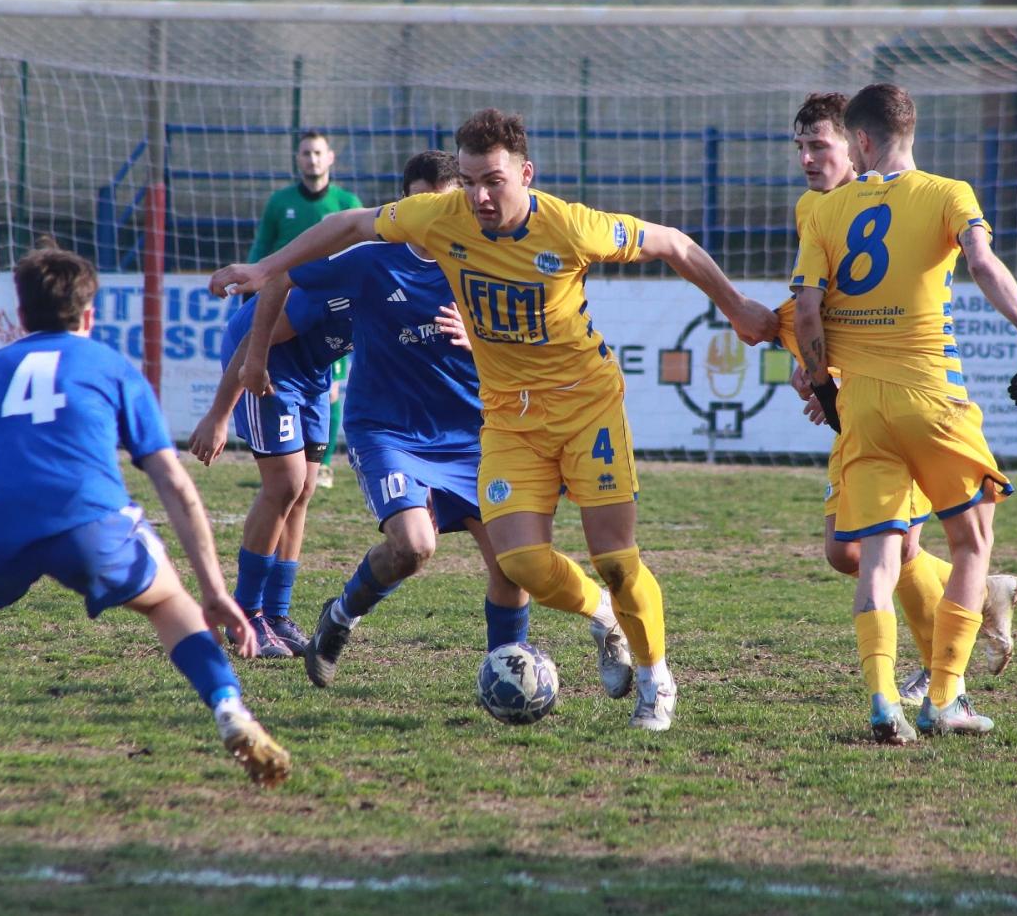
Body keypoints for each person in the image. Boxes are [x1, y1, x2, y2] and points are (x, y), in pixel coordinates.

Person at [211, 108, 777, 731]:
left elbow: (672, 241)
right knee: (520, 564)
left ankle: (654, 680)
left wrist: (735, 304)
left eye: (495, 181)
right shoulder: (440, 217)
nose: (481, 196)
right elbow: (349, 223)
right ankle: (605, 619)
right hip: (507, 418)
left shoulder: (571, 226)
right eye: (473, 180)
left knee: (616, 559)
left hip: (587, 406)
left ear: (525, 174)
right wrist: (264, 270)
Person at [0, 246, 291, 796]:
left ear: (21, 316)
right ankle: (229, 707)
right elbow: (173, 482)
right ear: (88, 316)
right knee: (167, 600)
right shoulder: (112, 367)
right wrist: (213, 590)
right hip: (89, 524)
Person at [239, 150, 631, 695]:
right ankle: (343, 614)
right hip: (388, 431)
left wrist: (482, 338)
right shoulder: (371, 259)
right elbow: (281, 275)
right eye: (421, 204)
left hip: (473, 434)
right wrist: (255, 359)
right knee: (414, 547)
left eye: (449, 202)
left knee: (512, 565)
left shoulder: (490, 259)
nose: (438, 214)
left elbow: (544, 336)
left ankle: (505, 673)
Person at [791, 83, 1017, 743]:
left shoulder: (825, 212)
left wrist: (821, 383)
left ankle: (883, 702)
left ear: (862, 143)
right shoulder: (947, 193)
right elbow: (984, 263)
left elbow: (808, 311)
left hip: (863, 406)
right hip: (934, 399)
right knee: (971, 544)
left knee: (875, 556)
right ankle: (943, 697)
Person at [185, 267, 354, 660]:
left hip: (312, 370)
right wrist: (218, 416)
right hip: (265, 362)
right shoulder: (335, 288)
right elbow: (250, 343)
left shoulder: (410, 288)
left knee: (304, 489)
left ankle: (276, 614)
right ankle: (245, 614)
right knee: (285, 484)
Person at [248, 130, 364, 490]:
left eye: (318, 152)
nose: (312, 159)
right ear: (297, 159)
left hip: (330, 306)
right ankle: (283, 457)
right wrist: (251, 288)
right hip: (281, 302)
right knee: (278, 381)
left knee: (329, 389)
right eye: (305, 153)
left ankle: (323, 464)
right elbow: (261, 250)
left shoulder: (347, 202)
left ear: (330, 157)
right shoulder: (280, 202)